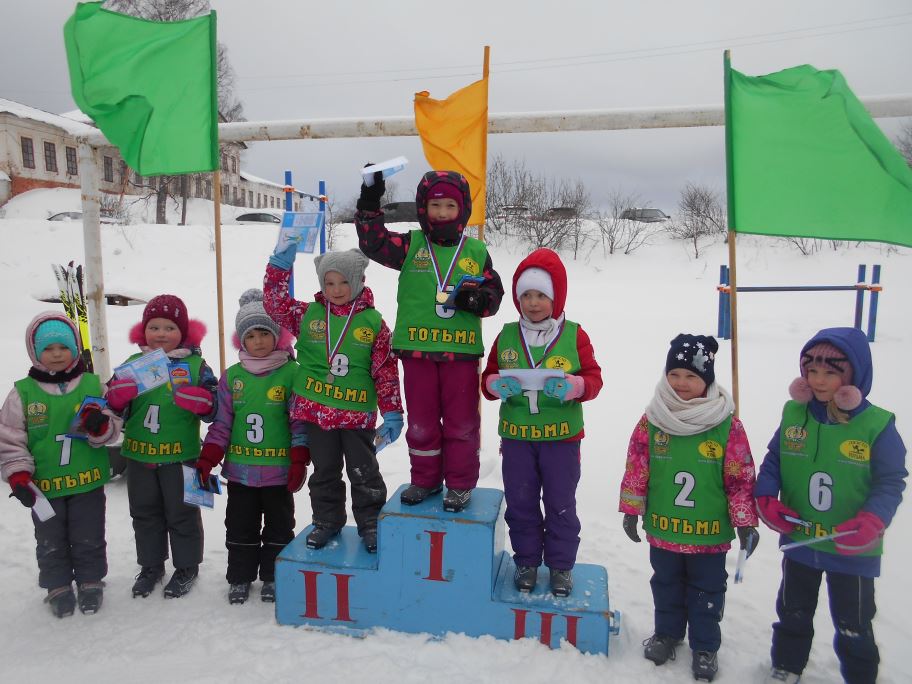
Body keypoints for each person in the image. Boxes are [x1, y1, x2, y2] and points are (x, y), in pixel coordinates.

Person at [755, 327, 906, 684]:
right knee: (792, 611)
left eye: (830, 372)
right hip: (801, 540)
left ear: (853, 376)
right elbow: (775, 458)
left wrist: (873, 520)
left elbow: (890, 480)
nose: (819, 381)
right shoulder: (795, 413)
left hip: (852, 548)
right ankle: (787, 665)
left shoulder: (877, 425)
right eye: (812, 371)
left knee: (853, 623)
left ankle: (860, 676)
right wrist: (766, 496)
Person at [356, 169, 504, 512]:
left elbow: (493, 295)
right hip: (418, 352)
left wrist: (476, 300)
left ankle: (460, 484)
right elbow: (373, 242)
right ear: (423, 208)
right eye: (435, 205)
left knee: (461, 424)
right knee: (422, 423)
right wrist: (370, 200)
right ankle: (425, 479)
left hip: (460, 354)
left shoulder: (476, 251)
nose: (442, 212)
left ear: (462, 209)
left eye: (450, 205)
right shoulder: (411, 246)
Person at [619, 334, 759, 682]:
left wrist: (745, 521)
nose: (681, 383)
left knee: (707, 590)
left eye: (691, 376)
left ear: (707, 380)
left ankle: (706, 646)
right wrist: (632, 509)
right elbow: (638, 466)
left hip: (708, 533)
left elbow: (740, 479)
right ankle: (667, 634)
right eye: (674, 374)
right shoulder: (653, 419)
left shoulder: (725, 424)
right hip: (664, 528)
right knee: (665, 583)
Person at [480, 248, 602, 597]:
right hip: (517, 438)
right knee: (521, 502)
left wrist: (574, 386)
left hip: (561, 440)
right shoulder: (506, 335)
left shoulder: (574, 335)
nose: (533, 303)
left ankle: (561, 566)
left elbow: (594, 379)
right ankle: (527, 562)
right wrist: (495, 385)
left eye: (541, 295)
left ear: (556, 296)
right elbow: (487, 379)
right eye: (526, 295)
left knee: (561, 503)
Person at [264, 247, 403, 552]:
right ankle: (326, 521)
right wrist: (279, 267)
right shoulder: (308, 314)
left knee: (363, 472)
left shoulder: (373, 324)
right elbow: (275, 306)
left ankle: (371, 523)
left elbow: (385, 371)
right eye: (329, 283)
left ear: (359, 281)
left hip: (355, 414)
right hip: (317, 412)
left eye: (343, 282)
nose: (336, 290)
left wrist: (392, 412)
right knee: (324, 471)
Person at [0, 312, 121, 617]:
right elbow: (10, 439)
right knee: (50, 539)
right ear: (35, 352)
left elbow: (112, 428)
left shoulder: (93, 385)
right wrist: (18, 475)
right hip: (46, 487)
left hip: (87, 482)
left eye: (64, 347)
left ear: (76, 348)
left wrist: (100, 427)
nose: (56, 354)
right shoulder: (22, 394)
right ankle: (57, 586)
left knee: (89, 535)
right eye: (49, 348)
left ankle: (91, 581)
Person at [195, 289, 310, 604]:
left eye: (264, 333)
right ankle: (240, 577)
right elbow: (222, 424)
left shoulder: (292, 373)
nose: (258, 341)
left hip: (278, 473)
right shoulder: (232, 377)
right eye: (250, 335)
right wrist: (208, 458)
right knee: (239, 526)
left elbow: (299, 423)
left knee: (279, 527)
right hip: (241, 473)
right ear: (241, 340)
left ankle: (273, 576)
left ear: (277, 336)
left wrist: (299, 458)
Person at [105, 294, 217, 599]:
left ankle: (187, 567)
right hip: (139, 456)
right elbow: (109, 408)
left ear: (183, 331)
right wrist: (116, 397)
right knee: (144, 514)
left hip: (182, 456)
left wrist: (206, 402)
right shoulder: (132, 365)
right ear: (144, 331)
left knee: (183, 513)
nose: (161, 334)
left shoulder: (196, 365)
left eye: (170, 327)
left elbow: (217, 407)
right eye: (154, 327)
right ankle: (151, 566)